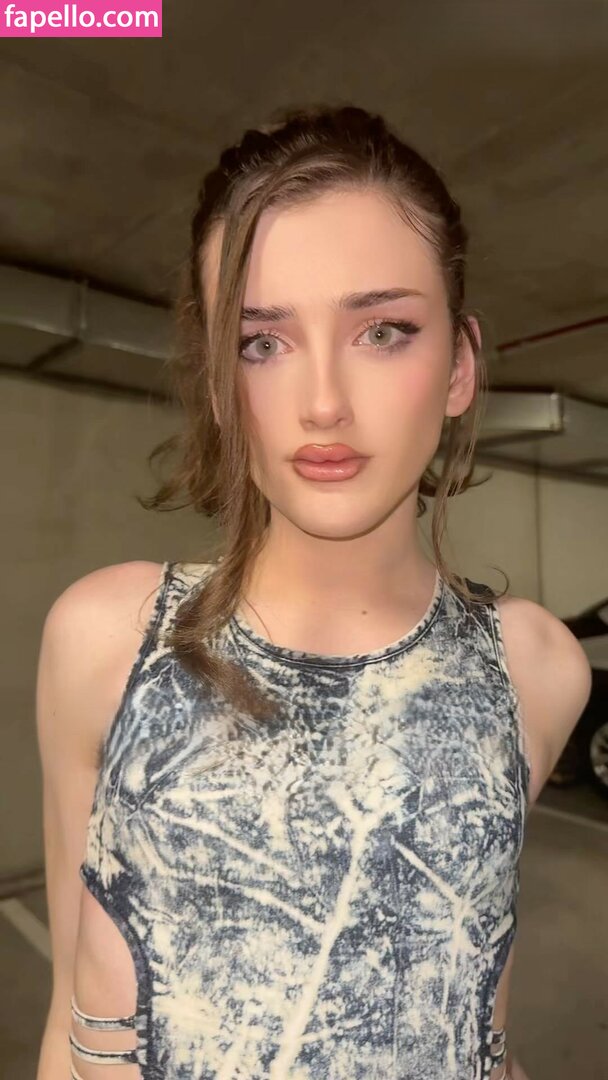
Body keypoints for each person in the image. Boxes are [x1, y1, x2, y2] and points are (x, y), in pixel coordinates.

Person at [35, 104, 591, 1080]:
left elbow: (480, 1029)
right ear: (217, 381)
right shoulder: (107, 641)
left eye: (383, 331)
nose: (323, 401)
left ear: (460, 366)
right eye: (261, 342)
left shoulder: (534, 667)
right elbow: (71, 1026)